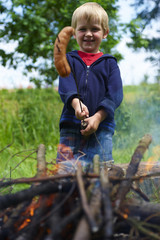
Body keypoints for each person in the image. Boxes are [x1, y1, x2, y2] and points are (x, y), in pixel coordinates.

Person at [56, 2, 123, 169]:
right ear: (74, 33)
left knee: (101, 171)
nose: (88, 34)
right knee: (65, 171)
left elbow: (115, 94)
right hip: (71, 125)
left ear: (105, 33)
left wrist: (98, 117)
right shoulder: (69, 60)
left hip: (102, 128)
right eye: (82, 29)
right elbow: (66, 84)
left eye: (94, 29)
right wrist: (76, 105)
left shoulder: (110, 63)